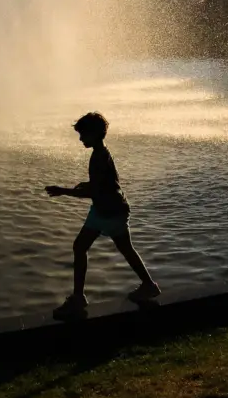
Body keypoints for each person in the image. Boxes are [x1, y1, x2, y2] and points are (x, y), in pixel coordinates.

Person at [45, 112, 160, 316]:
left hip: (107, 211)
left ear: (94, 134)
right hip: (109, 208)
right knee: (107, 248)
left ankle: (80, 298)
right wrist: (90, 183)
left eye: (83, 135)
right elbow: (110, 181)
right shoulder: (102, 153)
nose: (80, 139)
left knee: (92, 247)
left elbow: (94, 192)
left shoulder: (98, 157)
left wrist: (63, 191)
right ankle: (146, 285)